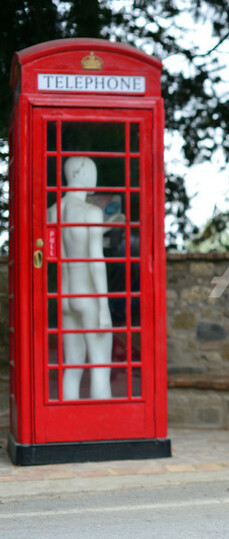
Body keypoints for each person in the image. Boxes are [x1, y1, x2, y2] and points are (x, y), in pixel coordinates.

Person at [47, 156, 113, 400]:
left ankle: (67, 423)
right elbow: (96, 262)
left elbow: (60, 247)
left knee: (72, 367)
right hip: (88, 295)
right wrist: (104, 307)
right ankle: (103, 425)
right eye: (92, 172)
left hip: (65, 296)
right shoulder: (91, 212)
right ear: (81, 175)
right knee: (100, 366)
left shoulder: (52, 212)